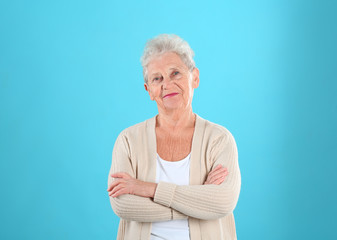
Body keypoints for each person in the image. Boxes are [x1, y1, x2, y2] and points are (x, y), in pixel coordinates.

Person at [107, 34, 241, 240]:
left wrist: (147, 189)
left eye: (175, 73)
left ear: (194, 77)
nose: (167, 84)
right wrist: (195, 203)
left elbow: (223, 201)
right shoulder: (128, 140)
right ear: (149, 90)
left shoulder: (219, 139)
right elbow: (122, 204)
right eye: (157, 78)